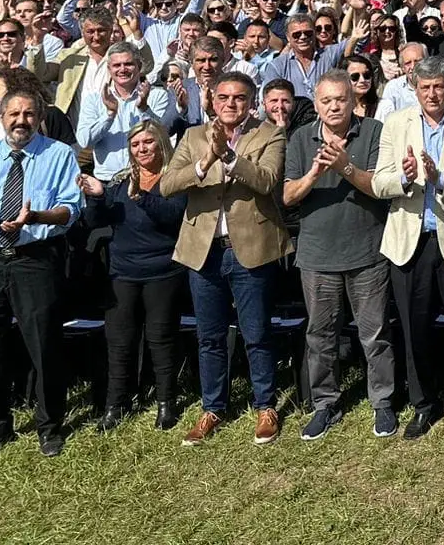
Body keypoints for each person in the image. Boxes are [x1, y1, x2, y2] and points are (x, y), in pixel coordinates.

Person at [0, 86, 81, 461]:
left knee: (43, 342)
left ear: (38, 118)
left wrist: (36, 216)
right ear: (1, 118)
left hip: (34, 258)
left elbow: (71, 211)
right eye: (14, 114)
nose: (21, 121)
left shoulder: (59, 155)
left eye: (28, 114)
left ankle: (49, 425)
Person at [160, 70, 290, 446]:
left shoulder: (270, 133)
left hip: (249, 248)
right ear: (212, 101)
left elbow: (267, 182)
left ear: (251, 103)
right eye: (223, 98)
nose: (230, 104)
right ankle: (212, 407)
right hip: (204, 252)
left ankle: (265, 405)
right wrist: (204, 162)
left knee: (257, 333)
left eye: (239, 98)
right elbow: (168, 184)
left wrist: (229, 156)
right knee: (209, 336)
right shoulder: (192, 136)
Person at [372, 52, 444, 440]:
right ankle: (424, 403)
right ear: (415, 89)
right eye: (425, 88)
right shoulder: (395, 123)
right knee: (414, 326)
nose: (432, 94)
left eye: (439, 86)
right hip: (410, 239)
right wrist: (406, 180)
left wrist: (439, 178)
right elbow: (379, 183)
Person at [282, 70, 395, 441]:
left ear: (353, 100)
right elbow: (287, 197)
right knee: (320, 334)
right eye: (326, 100)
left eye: (340, 99)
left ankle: (382, 402)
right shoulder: (301, 138)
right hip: (317, 255)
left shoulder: (374, 131)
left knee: (374, 334)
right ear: (316, 103)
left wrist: (345, 166)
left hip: (367, 251)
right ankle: (324, 404)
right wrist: (315, 172)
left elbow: (379, 188)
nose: (333, 106)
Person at [76, 118, 187, 431]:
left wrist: (143, 197)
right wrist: (96, 196)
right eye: (135, 144)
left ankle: (167, 402)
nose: (142, 149)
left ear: (162, 144)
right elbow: (97, 221)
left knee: (161, 338)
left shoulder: (175, 179)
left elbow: (172, 216)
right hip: (123, 272)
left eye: (148, 142)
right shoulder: (121, 182)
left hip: (163, 270)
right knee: (120, 340)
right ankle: (116, 403)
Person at [75, 40, 173, 179]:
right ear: (109, 69)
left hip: (148, 177)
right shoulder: (94, 100)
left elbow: (163, 136)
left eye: (128, 64)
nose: (122, 69)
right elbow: (85, 141)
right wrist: (109, 115)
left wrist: (144, 108)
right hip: (108, 180)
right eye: (116, 65)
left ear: (139, 66)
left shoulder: (157, 95)